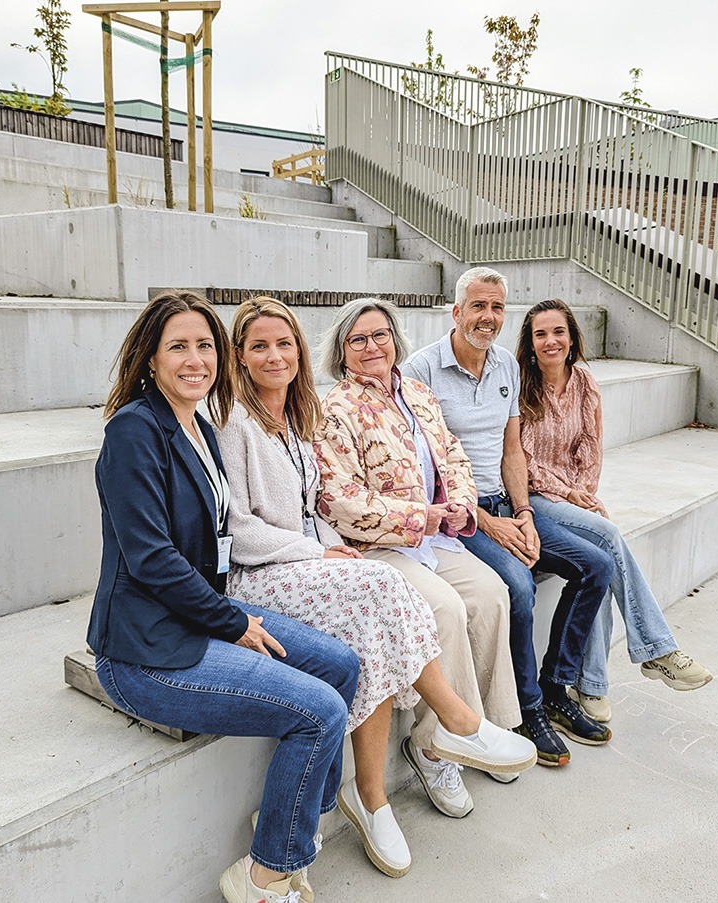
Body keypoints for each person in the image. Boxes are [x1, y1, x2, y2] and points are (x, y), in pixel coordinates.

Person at [216, 297, 535, 880]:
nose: (274, 355)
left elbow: (308, 505)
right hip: (265, 569)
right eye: (259, 345)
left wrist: (453, 507)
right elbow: (245, 527)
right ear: (239, 355)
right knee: (383, 590)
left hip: (312, 554)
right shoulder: (239, 421)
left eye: (284, 343)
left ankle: (380, 789)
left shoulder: (292, 411)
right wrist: (327, 544)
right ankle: (453, 727)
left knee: (418, 605)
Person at [86, 290, 360, 903]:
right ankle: (264, 877)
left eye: (205, 346)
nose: (194, 359)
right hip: (147, 651)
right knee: (320, 712)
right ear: (150, 359)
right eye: (177, 346)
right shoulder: (134, 431)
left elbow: (219, 540)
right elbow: (151, 559)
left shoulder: (203, 431)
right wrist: (233, 622)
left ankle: (293, 831)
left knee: (341, 665)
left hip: (200, 618)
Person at [314, 297, 532, 817]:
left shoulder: (416, 391)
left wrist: (459, 502)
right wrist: (422, 517)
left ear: (396, 340)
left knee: (492, 595)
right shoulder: (336, 408)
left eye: (380, 335)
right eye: (358, 339)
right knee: (446, 610)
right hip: (379, 544)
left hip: (436, 538)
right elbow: (339, 500)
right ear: (343, 352)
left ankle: (489, 728)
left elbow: (453, 453)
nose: (372, 347)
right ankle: (435, 747)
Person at [402, 267, 614, 768]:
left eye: (497, 307)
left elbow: (511, 448)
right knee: (518, 586)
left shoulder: (506, 366)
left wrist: (522, 513)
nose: (488, 317)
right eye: (478, 306)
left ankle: (556, 685)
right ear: (456, 312)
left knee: (596, 566)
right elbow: (424, 472)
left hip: (506, 504)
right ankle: (527, 709)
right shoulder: (420, 371)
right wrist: (488, 520)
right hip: (458, 514)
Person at [514, 298, 712, 723]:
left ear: (572, 338)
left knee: (600, 558)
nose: (550, 341)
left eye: (558, 332)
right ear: (530, 344)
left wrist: (583, 491)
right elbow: (523, 461)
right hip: (533, 498)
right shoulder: (520, 383)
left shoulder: (584, 382)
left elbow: (591, 448)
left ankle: (593, 685)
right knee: (607, 535)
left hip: (570, 498)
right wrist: (569, 494)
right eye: (540, 334)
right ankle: (657, 650)